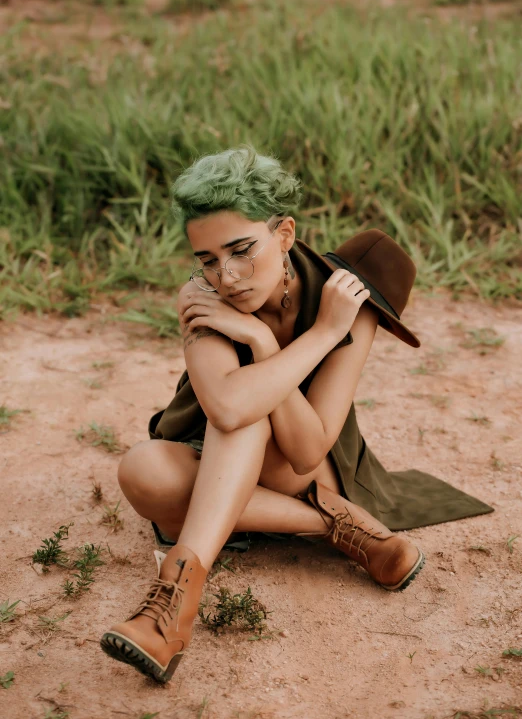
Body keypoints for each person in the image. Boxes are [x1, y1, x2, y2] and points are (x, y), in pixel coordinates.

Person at [100, 145, 493, 684]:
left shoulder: (346, 305)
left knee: (252, 415)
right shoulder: (201, 298)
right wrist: (270, 341)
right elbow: (225, 406)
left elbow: (308, 449)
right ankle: (337, 525)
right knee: (143, 470)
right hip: (212, 454)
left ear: (283, 234)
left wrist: (282, 340)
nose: (227, 276)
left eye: (241, 250)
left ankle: (171, 604)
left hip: (302, 466)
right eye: (208, 259)